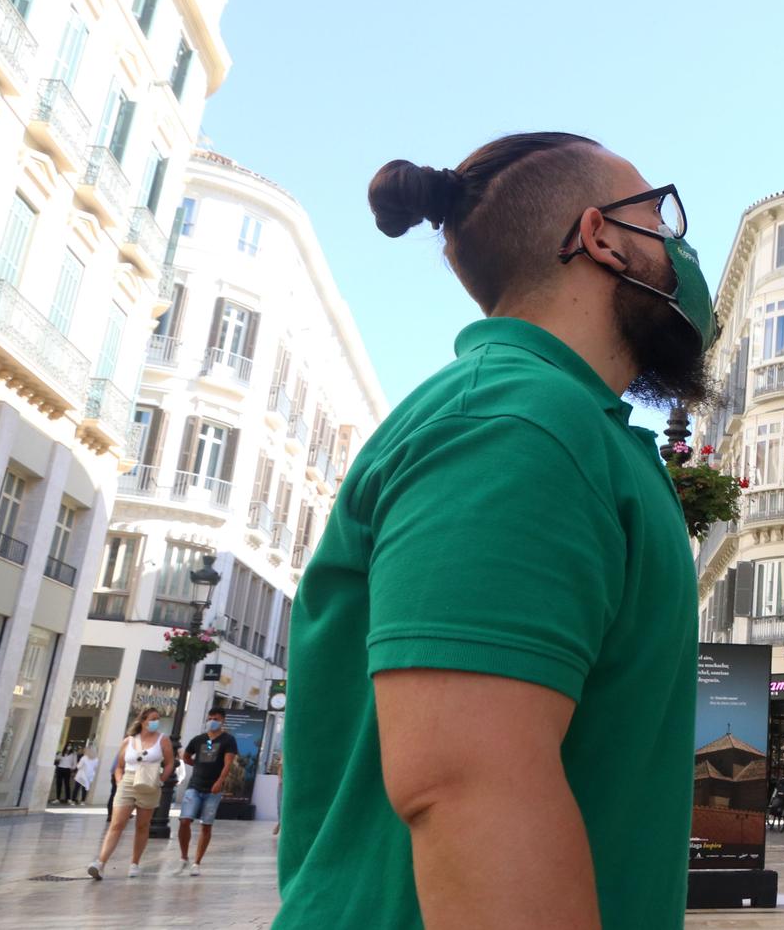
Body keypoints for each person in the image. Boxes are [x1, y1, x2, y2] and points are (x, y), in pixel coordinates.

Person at [276, 134, 711, 929]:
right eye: (662, 218)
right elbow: (465, 786)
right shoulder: (517, 425)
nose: (680, 247)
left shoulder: (557, 423)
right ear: (601, 236)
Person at [89, 709, 173, 880]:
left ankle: (135, 863)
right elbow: (119, 766)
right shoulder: (128, 741)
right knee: (116, 823)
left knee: (143, 825)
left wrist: (162, 780)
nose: (156, 722)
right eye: (152, 719)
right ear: (142, 721)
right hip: (128, 781)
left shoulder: (162, 740)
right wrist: (120, 782)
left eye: (158, 719)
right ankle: (100, 863)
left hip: (150, 783)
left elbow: (170, 762)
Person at [176, 708, 234, 875]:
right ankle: (184, 856)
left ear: (222, 720)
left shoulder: (228, 740)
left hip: (213, 789)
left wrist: (220, 781)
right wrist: (197, 765)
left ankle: (197, 862)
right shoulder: (199, 740)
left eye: (215, 718)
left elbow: (228, 763)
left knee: (206, 825)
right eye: (209, 718)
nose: (211, 721)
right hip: (195, 785)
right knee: (185, 820)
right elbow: (186, 756)